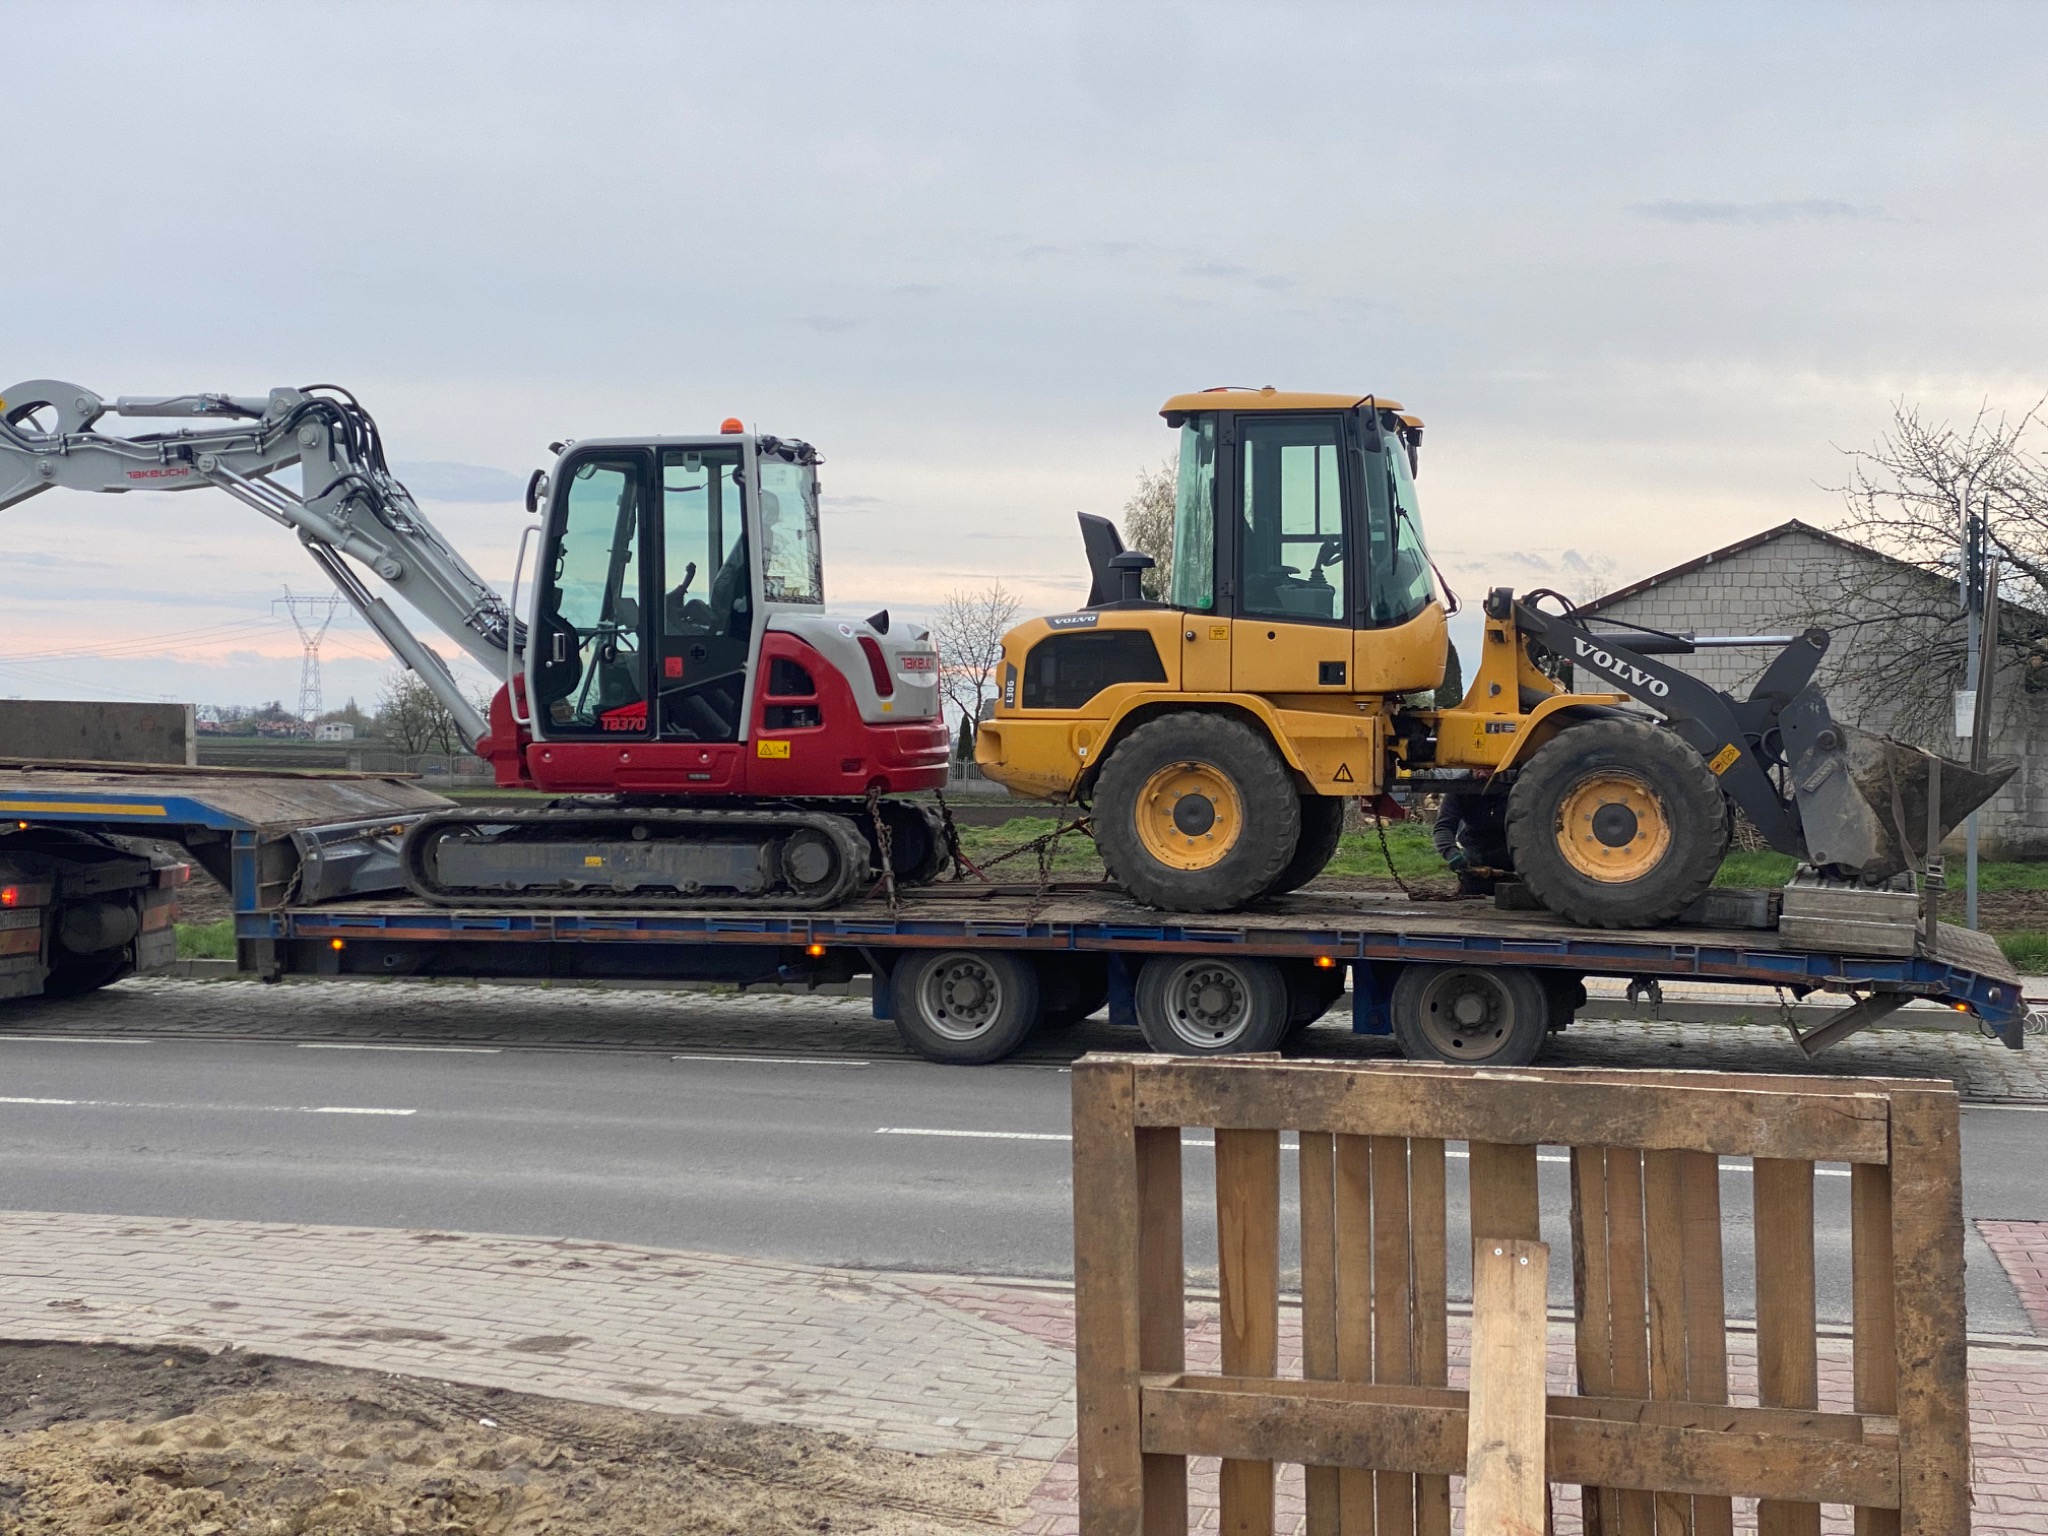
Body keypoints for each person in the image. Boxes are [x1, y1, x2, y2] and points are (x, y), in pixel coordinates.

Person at [1431, 790, 1511, 897]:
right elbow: (1444, 827)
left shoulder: (1517, 786)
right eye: (1478, 771)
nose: (1482, 774)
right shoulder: (1460, 788)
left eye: (1488, 771)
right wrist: (1451, 853)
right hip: (1475, 867)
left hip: (1515, 868)